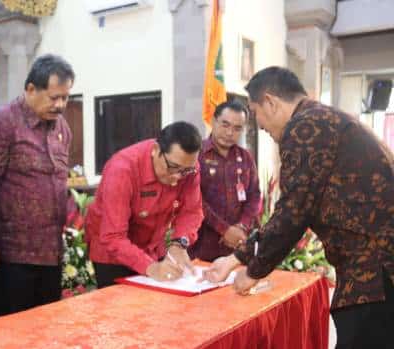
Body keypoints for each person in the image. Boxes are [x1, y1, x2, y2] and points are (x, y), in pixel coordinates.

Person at [203, 66, 394, 349]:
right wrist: (236, 259)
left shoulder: (305, 127)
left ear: (271, 101)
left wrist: (252, 271)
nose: (262, 127)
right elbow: (296, 209)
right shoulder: (325, 119)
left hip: (374, 268)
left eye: (255, 115)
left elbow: (293, 212)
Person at [0, 54, 74, 318]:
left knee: (43, 332)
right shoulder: (1, 124)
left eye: (65, 97)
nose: (61, 105)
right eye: (54, 97)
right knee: (9, 335)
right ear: (31, 89)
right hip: (11, 256)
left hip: (50, 252)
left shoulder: (61, 127)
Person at [85, 122, 204, 287]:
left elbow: (192, 211)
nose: (177, 177)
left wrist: (179, 244)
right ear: (155, 150)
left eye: (185, 171)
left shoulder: (189, 168)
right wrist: (151, 268)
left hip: (154, 249)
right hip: (113, 257)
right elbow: (113, 237)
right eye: (173, 167)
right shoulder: (122, 170)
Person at [188, 101, 260, 262]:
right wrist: (225, 230)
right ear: (214, 121)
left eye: (237, 128)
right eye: (225, 125)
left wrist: (242, 226)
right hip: (203, 245)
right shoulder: (196, 155)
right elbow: (194, 200)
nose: (230, 133)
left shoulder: (246, 157)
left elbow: (254, 195)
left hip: (239, 246)